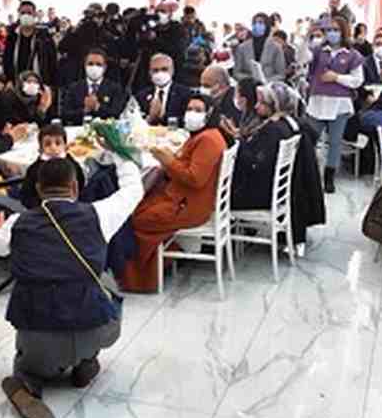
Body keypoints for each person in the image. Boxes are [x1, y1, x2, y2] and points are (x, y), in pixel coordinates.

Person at [0, 150, 143, 418]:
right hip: (93, 327)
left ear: (37, 189)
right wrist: (120, 153)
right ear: (75, 187)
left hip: (37, 336)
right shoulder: (98, 214)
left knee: (28, 357)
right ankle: (85, 361)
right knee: (104, 280)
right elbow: (134, 189)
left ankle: (27, 383)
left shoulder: (18, 224)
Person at [119, 95, 228, 292]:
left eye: (197, 110)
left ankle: (143, 278)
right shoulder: (205, 136)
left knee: (136, 219)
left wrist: (168, 161)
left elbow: (195, 178)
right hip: (183, 197)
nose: (191, 114)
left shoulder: (209, 140)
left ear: (210, 113)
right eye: (189, 109)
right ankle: (163, 260)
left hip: (189, 206)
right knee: (139, 206)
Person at [305, 15, 365, 194]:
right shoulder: (318, 50)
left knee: (335, 142)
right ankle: (307, 175)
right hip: (317, 102)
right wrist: (306, 36)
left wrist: (337, 78)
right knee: (310, 140)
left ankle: (329, 177)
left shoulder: (352, 55)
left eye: (336, 29)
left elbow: (357, 80)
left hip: (340, 104)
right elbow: (302, 58)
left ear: (344, 32)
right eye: (329, 29)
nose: (332, 33)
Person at [230, 83, 298, 210]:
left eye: (261, 103)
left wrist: (237, 140)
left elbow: (254, 163)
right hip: (274, 190)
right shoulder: (288, 123)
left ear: (274, 105)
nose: (256, 106)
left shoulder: (273, 130)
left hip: (259, 195)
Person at [60, 48, 127, 125]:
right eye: (90, 64)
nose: (94, 67)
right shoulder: (74, 88)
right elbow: (65, 113)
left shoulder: (115, 88)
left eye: (98, 64)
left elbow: (117, 113)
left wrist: (98, 107)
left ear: (105, 67)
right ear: (85, 66)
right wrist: (85, 110)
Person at [3, 0, 59, 86]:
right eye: (23, 13)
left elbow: (52, 62)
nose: (26, 15)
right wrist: (9, 80)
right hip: (17, 83)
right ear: (19, 14)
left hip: (40, 83)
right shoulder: (12, 37)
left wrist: (51, 85)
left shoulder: (44, 36)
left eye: (29, 13)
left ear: (35, 14)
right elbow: (7, 61)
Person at [135, 53, 192, 126]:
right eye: (155, 70)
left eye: (164, 69)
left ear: (172, 71)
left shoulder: (185, 94)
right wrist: (150, 119)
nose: (160, 73)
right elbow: (135, 121)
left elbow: (185, 120)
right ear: (149, 72)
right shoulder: (141, 95)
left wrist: (163, 118)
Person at [233, 13, 287, 84]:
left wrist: (266, 81)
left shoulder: (276, 48)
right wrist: (250, 79)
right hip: (248, 86)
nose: (256, 25)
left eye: (260, 23)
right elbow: (236, 73)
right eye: (254, 23)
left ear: (266, 25)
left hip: (269, 87)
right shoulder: (242, 47)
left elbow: (281, 74)